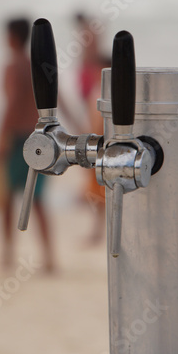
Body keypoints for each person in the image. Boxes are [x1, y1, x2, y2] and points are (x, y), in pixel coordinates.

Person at [0, 18, 54, 271]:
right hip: (38, 139)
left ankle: (7, 254)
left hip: (17, 139)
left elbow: (10, 104)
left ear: (11, 37)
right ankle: (49, 257)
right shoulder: (36, 66)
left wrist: (1, 138)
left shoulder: (11, 67)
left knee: (7, 197)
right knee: (37, 200)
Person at [74, 13, 110, 246]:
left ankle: (98, 231)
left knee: (101, 190)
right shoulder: (99, 89)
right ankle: (98, 231)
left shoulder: (104, 92)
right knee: (99, 190)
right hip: (98, 140)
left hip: (102, 142)